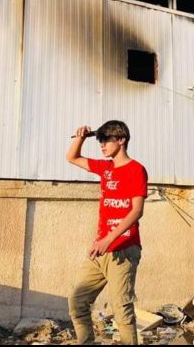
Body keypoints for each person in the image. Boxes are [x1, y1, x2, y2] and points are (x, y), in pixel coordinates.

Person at [66, 121, 148, 345]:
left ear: (121, 140)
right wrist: (80, 137)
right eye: (99, 140)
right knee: (77, 301)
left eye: (106, 140)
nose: (101, 145)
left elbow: (137, 211)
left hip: (124, 250)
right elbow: (72, 157)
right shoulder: (106, 168)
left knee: (121, 308)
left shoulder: (136, 169)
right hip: (100, 251)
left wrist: (109, 239)